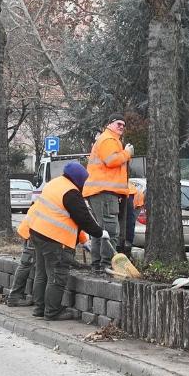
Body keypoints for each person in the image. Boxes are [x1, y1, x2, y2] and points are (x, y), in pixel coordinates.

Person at [28, 162, 104, 320]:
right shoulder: (71, 192)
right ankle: (52, 312)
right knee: (57, 274)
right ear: (79, 180)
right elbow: (83, 217)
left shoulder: (54, 183)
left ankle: (40, 308)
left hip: (37, 232)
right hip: (54, 238)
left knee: (42, 273)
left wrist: (83, 239)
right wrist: (99, 232)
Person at [83, 113, 133, 273]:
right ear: (109, 124)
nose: (121, 127)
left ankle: (98, 265)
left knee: (100, 230)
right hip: (104, 192)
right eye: (118, 123)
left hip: (101, 192)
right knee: (110, 230)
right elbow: (111, 161)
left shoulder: (108, 139)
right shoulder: (109, 140)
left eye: (123, 125)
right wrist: (127, 153)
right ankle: (106, 265)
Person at [7, 212, 90, 307]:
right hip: (37, 232)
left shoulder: (53, 199)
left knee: (36, 267)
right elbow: (73, 223)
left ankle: (36, 303)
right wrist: (84, 240)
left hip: (34, 229)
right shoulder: (65, 200)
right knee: (28, 264)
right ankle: (15, 297)